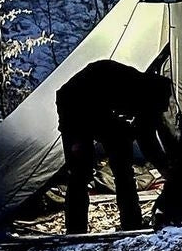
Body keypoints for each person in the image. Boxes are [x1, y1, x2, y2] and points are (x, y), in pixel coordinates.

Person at [56, 60, 175, 234]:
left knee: (123, 168)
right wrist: (166, 170)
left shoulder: (146, 96)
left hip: (102, 110)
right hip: (75, 106)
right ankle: (76, 229)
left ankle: (132, 224)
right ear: (153, 99)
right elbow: (146, 139)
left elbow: (147, 139)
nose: (161, 110)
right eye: (160, 107)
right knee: (81, 170)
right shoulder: (133, 89)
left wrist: (166, 169)